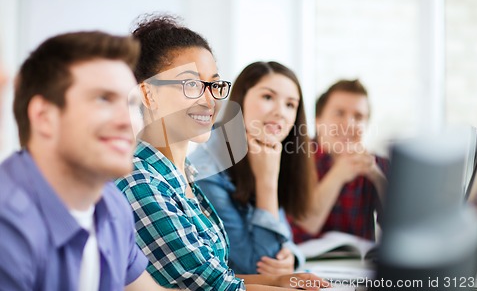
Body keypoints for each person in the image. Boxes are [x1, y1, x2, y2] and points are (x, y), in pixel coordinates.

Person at [114, 15, 328, 291]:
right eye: (191, 85)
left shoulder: (181, 174)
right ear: (148, 95)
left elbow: (215, 277)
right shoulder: (141, 182)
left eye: (214, 85)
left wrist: (278, 279)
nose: (209, 100)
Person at [0, 31, 177, 291]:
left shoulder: (112, 204)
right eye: (103, 99)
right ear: (44, 117)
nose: (127, 121)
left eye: (132, 104)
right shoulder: (8, 224)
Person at [189, 61, 314, 275]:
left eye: (290, 105)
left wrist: (293, 258)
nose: (280, 113)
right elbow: (255, 266)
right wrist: (267, 184)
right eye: (268, 97)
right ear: (241, 100)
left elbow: (284, 242)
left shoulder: (266, 153)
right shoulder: (207, 170)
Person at [290, 79, 389, 243]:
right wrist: (338, 175)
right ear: (318, 120)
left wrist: (377, 178)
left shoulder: (377, 165)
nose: (349, 124)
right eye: (339, 113)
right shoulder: (296, 159)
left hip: (357, 266)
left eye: (358, 117)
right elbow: (302, 228)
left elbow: (402, 229)